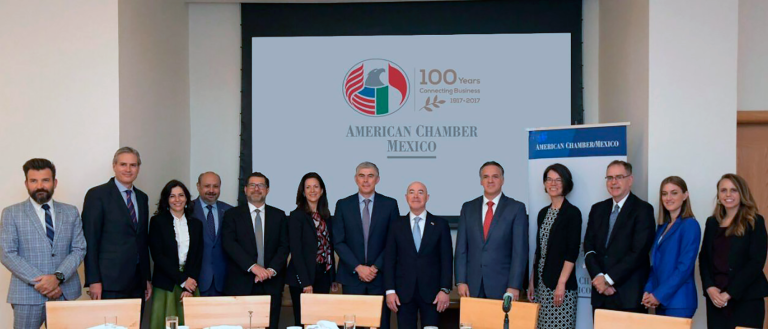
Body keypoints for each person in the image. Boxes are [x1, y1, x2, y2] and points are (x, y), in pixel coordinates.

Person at [1, 158, 86, 329]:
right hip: (27, 295)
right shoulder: (11, 213)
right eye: (34, 181)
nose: (40, 186)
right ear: (26, 183)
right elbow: (7, 253)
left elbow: (79, 249)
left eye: (45, 180)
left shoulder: (70, 212)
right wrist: (44, 283)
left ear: (54, 182)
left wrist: (57, 278)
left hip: (64, 292)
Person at [333, 162, 400, 329]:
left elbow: (393, 242)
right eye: (362, 175)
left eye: (370, 176)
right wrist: (358, 267)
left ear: (377, 179)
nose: (366, 180)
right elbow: (338, 241)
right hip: (352, 277)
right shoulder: (343, 205)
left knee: (381, 324)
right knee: (353, 324)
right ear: (356, 179)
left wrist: (375, 267)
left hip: (380, 277)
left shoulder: (390, 204)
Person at [583, 160, 655, 313]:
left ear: (630, 180)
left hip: (628, 297)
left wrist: (608, 280)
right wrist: (599, 279)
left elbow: (639, 252)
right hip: (601, 296)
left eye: (619, 177)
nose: (613, 182)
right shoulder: (597, 209)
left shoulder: (643, 210)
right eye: (609, 178)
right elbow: (588, 247)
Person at [82, 147, 152, 301]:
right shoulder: (97, 195)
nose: (128, 169)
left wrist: (146, 278)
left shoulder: (142, 198)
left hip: (137, 282)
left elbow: (142, 240)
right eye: (123, 164)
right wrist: (94, 280)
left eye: (133, 165)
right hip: (108, 283)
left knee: (135, 324)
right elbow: (90, 240)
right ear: (114, 166)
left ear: (138, 168)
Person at [699, 173, 768, 329]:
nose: (728, 195)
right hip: (716, 301)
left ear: (742, 194)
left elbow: (756, 262)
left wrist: (729, 293)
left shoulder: (755, 221)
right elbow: (704, 259)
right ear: (718, 195)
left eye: (734, 190)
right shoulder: (712, 223)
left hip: (746, 300)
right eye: (723, 190)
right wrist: (709, 287)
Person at [221, 172, 289, 329]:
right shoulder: (232, 215)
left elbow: (284, 246)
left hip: (271, 284)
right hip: (241, 283)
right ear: (245, 189)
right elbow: (229, 244)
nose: (256, 189)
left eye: (261, 185)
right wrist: (254, 267)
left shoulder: (279, 215)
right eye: (252, 185)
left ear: (267, 190)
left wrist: (270, 271)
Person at [455, 161, 528, 300]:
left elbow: (520, 251)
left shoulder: (516, 208)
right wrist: (461, 281)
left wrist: (514, 285)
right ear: (481, 181)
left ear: (502, 180)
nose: (490, 180)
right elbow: (461, 249)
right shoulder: (468, 208)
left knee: (500, 323)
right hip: (472, 286)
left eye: (495, 176)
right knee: (473, 323)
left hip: (503, 286)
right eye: (486, 176)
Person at [384, 182, 452, 329]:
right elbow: (389, 260)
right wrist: (390, 291)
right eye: (412, 192)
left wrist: (445, 289)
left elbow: (446, 260)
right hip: (403, 294)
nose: (416, 196)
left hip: (433, 294)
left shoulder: (440, 225)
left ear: (427, 197)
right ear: (406, 197)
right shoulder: (396, 225)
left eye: (420, 192)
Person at [527, 164, 581, 329]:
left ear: (566, 183)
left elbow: (572, 253)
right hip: (542, 285)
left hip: (560, 287)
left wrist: (561, 283)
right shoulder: (543, 213)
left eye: (558, 180)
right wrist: (532, 281)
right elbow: (540, 250)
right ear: (544, 184)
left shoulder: (572, 213)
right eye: (549, 179)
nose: (553, 183)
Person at [641, 176, 700, 318]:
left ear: (685, 195)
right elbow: (655, 266)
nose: (668, 198)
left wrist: (659, 295)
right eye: (664, 193)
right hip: (660, 301)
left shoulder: (690, 225)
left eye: (674, 193)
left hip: (679, 302)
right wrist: (648, 291)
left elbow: (684, 268)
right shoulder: (662, 227)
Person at [148, 180, 204, 328]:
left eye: (181, 195)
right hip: (166, 284)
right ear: (166, 200)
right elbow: (158, 256)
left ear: (186, 198)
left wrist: (188, 285)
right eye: (172, 196)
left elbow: (198, 257)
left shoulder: (196, 224)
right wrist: (183, 280)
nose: (177, 200)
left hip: (190, 284)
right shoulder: (157, 222)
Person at [287, 173, 338, 326]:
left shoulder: (327, 217)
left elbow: (330, 248)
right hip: (302, 277)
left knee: (320, 321)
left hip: (323, 274)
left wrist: (332, 277)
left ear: (322, 190)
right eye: (308, 187)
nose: (312, 190)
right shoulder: (296, 216)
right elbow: (296, 251)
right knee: (303, 321)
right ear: (303, 192)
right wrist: (305, 282)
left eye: (316, 186)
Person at [192, 171, 233, 296]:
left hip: (223, 281)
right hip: (195, 280)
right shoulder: (187, 209)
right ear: (198, 186)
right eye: (207, 186)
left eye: (215, 186)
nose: (211, 190)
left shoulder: (230, 211)